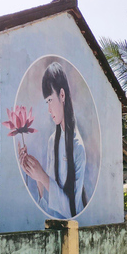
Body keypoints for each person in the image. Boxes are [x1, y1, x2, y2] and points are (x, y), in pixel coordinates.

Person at [18, 62, 86, 218]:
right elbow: (48, 199)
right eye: (46, 102)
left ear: (62, 95)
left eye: (50, 100)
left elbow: (72, 211)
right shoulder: (52, 141)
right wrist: (33, 172)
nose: (49, 110)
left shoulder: (78, 147)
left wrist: (42, 176)